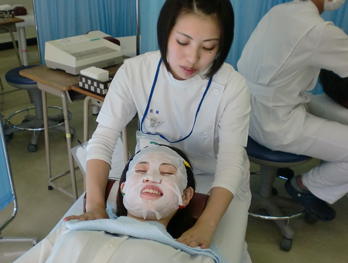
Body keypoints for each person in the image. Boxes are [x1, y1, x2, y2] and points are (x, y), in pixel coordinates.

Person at [65, 0, 252, 261]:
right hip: (151, 169)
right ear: (165, 33)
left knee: (221, 252)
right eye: (183, 42)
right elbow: (104, 139)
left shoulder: (233, 86)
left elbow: (231, 162)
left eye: (209, 47)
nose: (192, 58)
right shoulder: (135, 72)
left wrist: (206, 224)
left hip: (214, 177)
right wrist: (95, 206)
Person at [14, 145, 225, 263]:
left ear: (186, 197)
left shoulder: (193, 257)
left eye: (167, 173)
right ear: (122, 188)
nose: (150, 178)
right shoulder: (72, 228)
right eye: (140, 171)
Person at [237, 0, 348, 221]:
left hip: (245, 113)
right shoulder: (318, 31)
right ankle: (304, 186)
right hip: (277, 125)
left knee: (322, 108)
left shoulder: (278, 12)